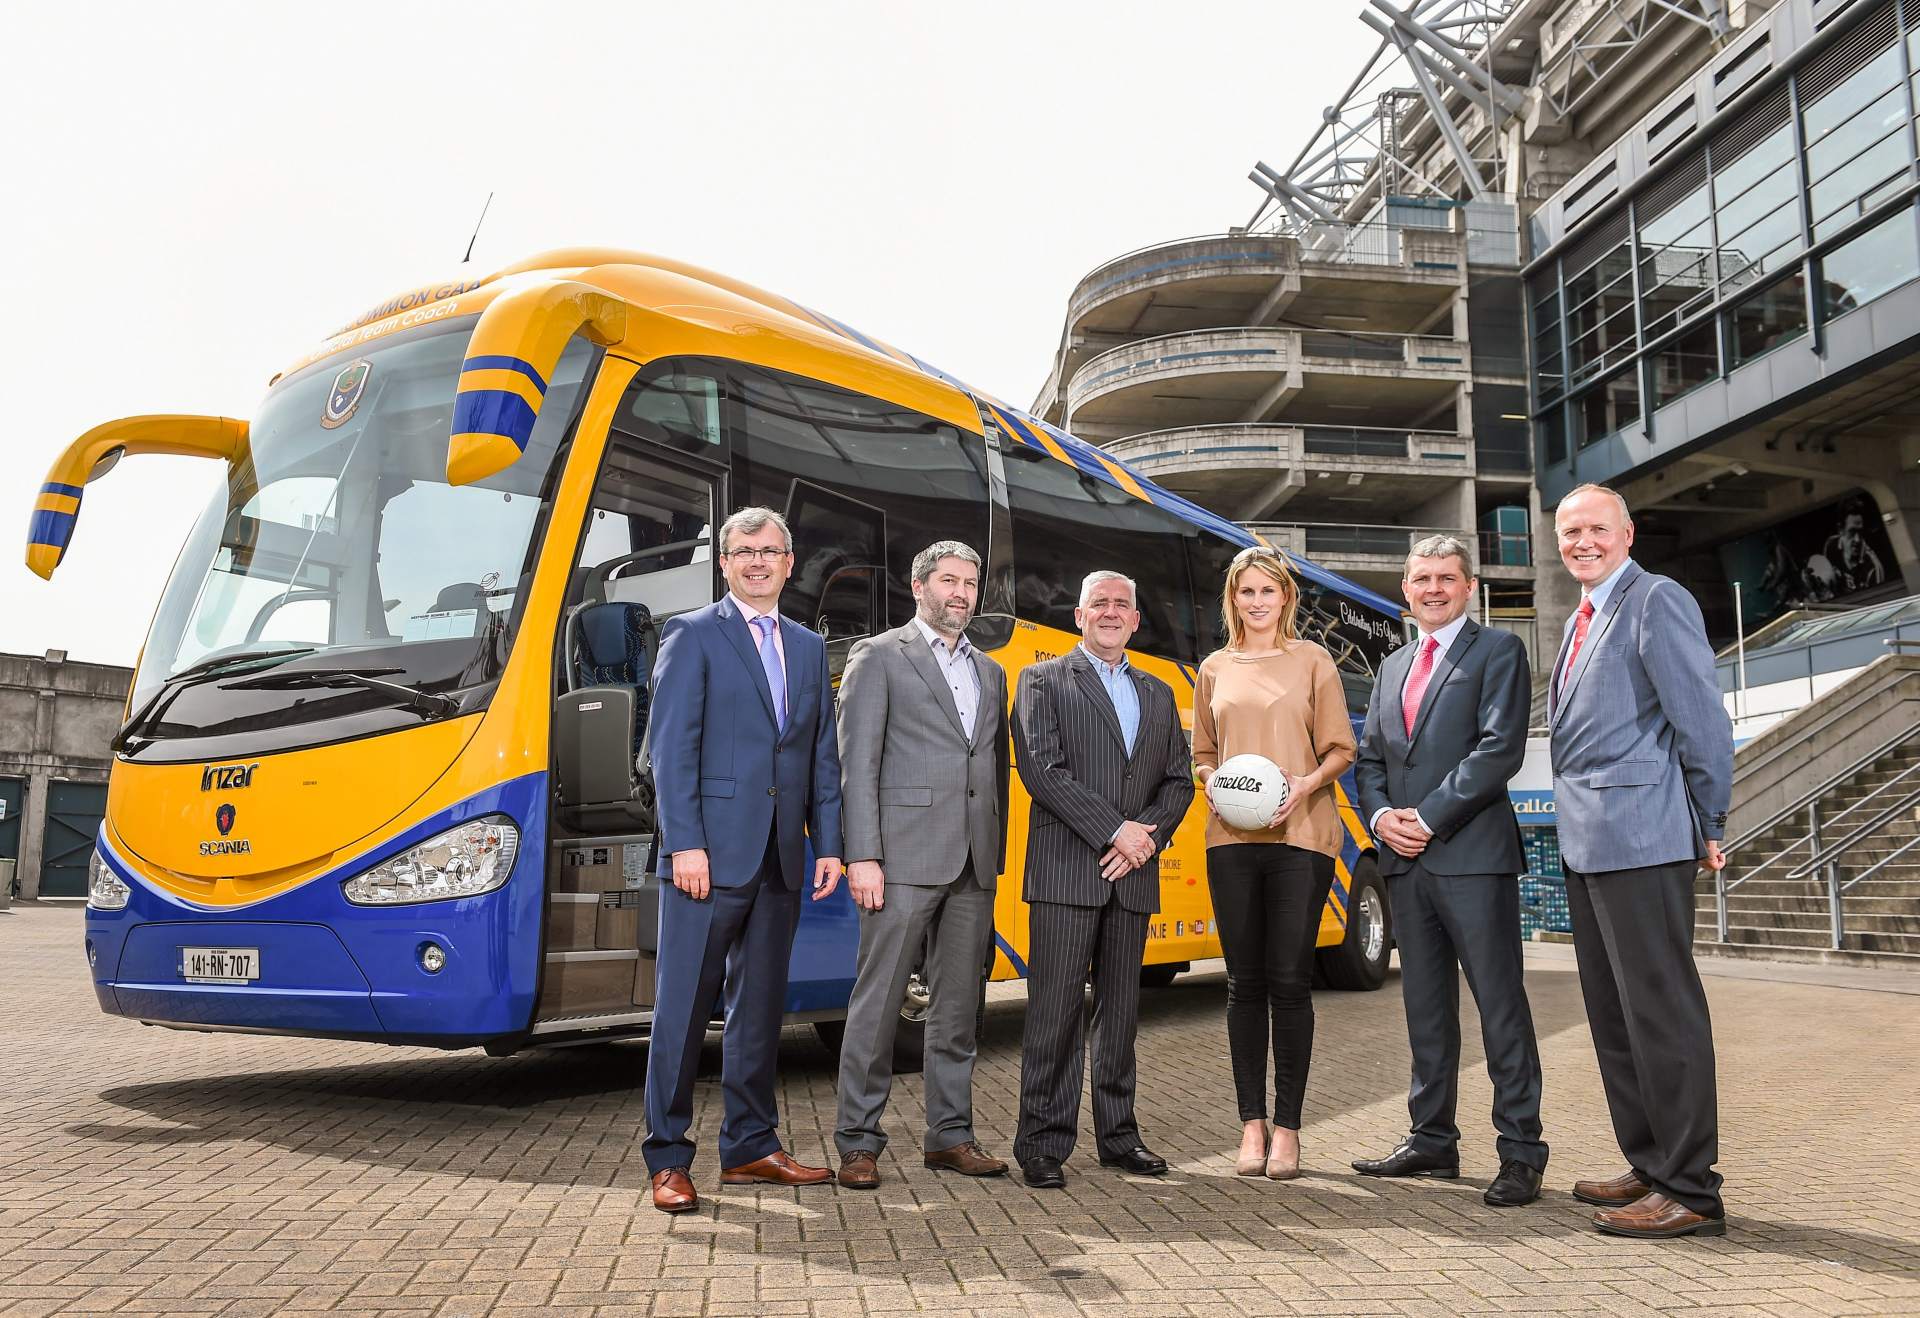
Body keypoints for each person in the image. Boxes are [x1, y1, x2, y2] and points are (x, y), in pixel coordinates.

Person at [641, 507, 844, 1214]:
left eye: (771, 551)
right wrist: (684, 842)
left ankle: (752, 1146)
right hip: (707, 858)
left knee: (759, 1011)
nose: (758, 562)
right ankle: (667, 1159)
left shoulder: (809, 648)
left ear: (791, 563)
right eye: (744, 551)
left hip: (783, 856)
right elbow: (670, 751)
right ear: (724, 563)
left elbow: (820, 754)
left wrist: (832, 844)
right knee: (683, 1011)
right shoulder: (693, 635)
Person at [1550, 483, 1733, 1239]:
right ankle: (1651, 1162)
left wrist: (1711, 818)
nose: (1582, 542)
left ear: (1626, 532)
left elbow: (1701, 719)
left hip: (1645, 837)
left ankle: (1690, 1187)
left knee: (1662, 1016)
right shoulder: (1579, 618)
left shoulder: (1656, 601)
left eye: (1596, 528)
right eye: (1569, 533)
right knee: (1617, 1020)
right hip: (1589, 840)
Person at [1351, 534, 1545, 1207]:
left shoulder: (1498, 652)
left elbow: (1499, 750)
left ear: (1468, 586)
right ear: (1405, 589)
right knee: (1425, 1012)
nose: (1432, 589)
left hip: (1471, 857)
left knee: (1500, 1011)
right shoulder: (1392, 665)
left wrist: (1426, 818)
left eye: (1445, 577)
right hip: (1404, 865)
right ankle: (1431, 1138)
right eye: (1420, 578)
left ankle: (1521, 1152)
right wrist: (1380, 821)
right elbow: (1370, 760)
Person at [832, 541, 1011, 1189]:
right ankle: (858, 1141)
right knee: (878, 1006)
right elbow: (857, 767)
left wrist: (995, 850)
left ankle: (949, 1137)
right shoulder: (878, 657)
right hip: (900, 859)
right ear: (918, 585)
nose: (961, 592)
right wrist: (864, 855)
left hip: (972, 861)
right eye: (948, 580)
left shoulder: (990, 673)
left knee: (959, 1010)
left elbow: (992, 768)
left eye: (970, 582)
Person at [1009, 571, 1194, 1189]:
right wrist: (1116, 830)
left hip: (1133, 874)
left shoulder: (1161, 691)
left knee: (1120, 1014)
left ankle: (1119, 1137)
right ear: (1079, 615)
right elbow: (1041, 769)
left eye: (1123, 604)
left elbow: (1177, 781)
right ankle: (1042, 1143)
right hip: (1067, 873)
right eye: (1100, 604)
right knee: (1054, 1013)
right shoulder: (1041, 680)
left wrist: (1147, 837)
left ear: (1136, 620)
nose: (1112, 612)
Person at [1192, 545, 1356, 1179]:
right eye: (1246, 592)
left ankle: (1289, 1128)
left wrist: (1305, 784)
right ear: (1232, 599)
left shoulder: (1313, 661)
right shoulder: (1214, 667)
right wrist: (1210, 779)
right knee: (1242, 984)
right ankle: (1251, 1125)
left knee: (1289, 981)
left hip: (1301, 837)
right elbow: (1204, 751)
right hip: (1231, 839)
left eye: (1268, 591)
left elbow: (1342, 749)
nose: (1257, 602)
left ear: (1286, 598)